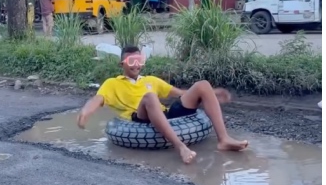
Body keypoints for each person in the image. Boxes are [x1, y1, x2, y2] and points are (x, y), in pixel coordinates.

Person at [77, 46, 249, 164]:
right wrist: (86, 111)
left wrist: (212, 92)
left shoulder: (151, 80)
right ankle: (181, 147)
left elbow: (181, 93)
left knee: (203, 84)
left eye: (139, 60)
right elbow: (97, 100)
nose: (136, 65)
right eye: (131, 61)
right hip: (139, 117)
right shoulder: (112, 83)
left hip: (164, 113)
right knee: (150, 97)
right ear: (122, 64)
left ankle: (224, 139)